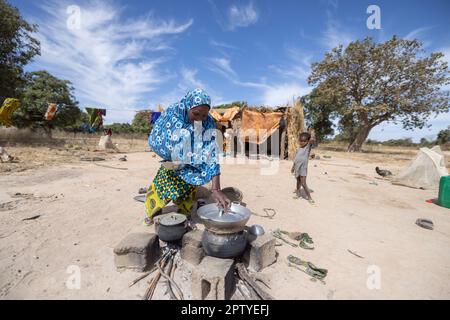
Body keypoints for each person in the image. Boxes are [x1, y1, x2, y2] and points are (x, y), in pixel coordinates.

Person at [144, 89, 231, 226]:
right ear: (187, 106)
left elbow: (212, 154)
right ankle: (151, 213)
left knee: (187, 194)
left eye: (203, 115)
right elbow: (162, 140)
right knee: (161, 191)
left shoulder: (208, 123)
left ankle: (183, 218)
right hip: (171, 166)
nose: (199, 119)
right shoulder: (174, 113)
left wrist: (216, 189)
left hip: (191, 169)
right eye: (195, 114)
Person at [291, 130, 315, 203]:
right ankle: (298, 194)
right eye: (301, 141)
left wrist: (311, 133)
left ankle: (309, 197)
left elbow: (312, 140)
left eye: (304, 141)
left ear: (307, 141)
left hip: (303, 168)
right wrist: (293, 167)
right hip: (297, 168)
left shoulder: (307, 148)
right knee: (298, 181)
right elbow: (296, 159)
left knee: (303, 183)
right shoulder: (299, 149)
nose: (302, 142)